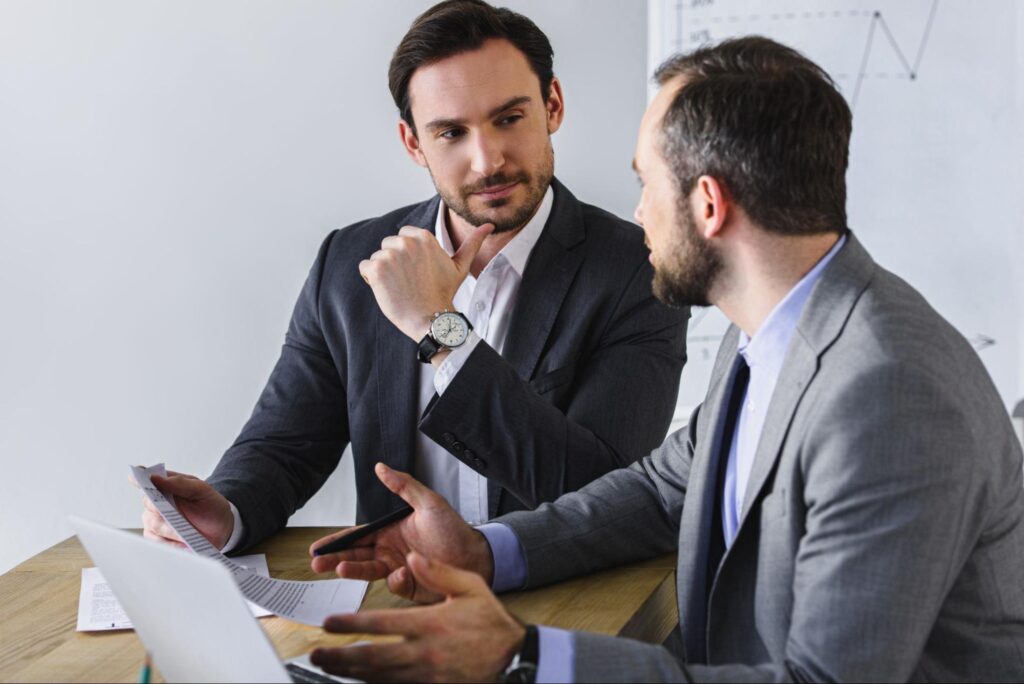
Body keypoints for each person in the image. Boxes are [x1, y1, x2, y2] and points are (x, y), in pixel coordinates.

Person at [304, 37, 1024, 682]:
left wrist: (523, 655)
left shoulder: (887, 394)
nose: (640, 211)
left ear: (708, 205)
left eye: (648, 182)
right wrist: (485, 552)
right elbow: (659, 489)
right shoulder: (776, 330)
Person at [137, 0, 689, 554]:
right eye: (451, 132)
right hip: (395, 593)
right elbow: (287, 443)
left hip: (568, 599)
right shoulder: (349, 261)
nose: (487, 160)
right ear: (412, 143)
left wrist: (439, 328)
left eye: (509, 118)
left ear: (553, 106)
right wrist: (226, 511)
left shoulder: (636, 269)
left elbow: (598, 492)